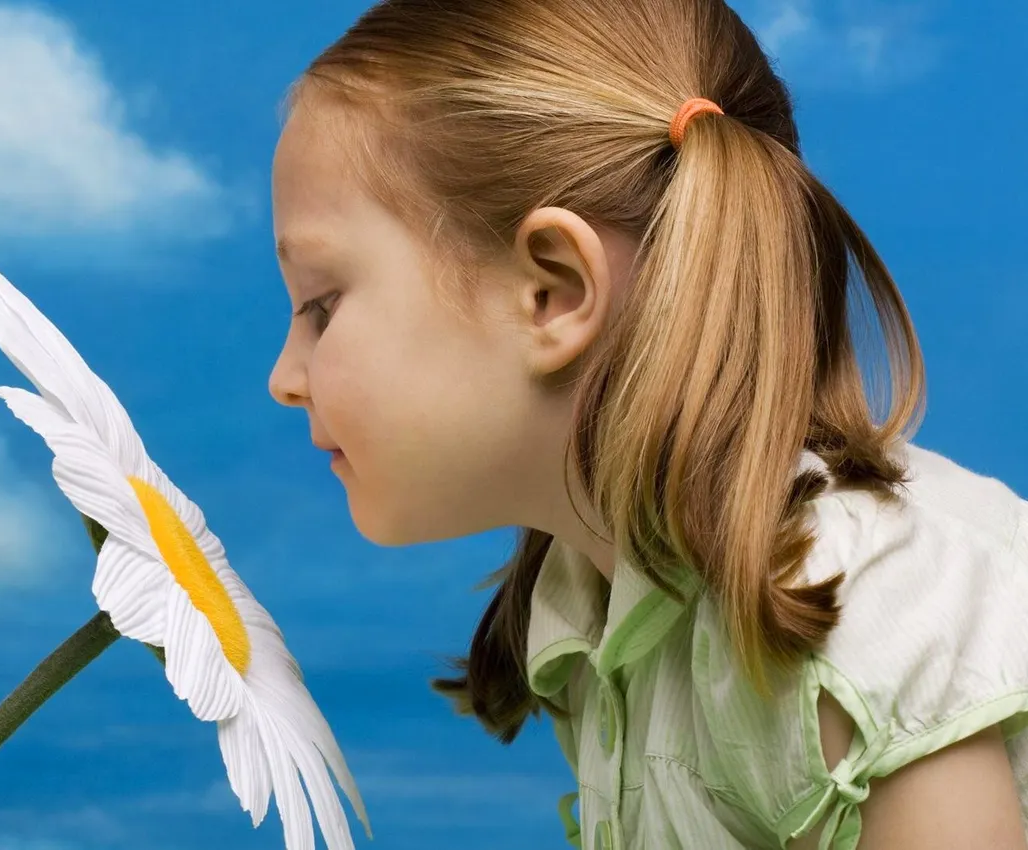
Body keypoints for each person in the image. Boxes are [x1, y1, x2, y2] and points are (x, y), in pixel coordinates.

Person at [265, 0, 1028, 847]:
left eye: (322, 307)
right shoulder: (600, 607)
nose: (283, 379)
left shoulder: (859, 606)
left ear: (553, 292)